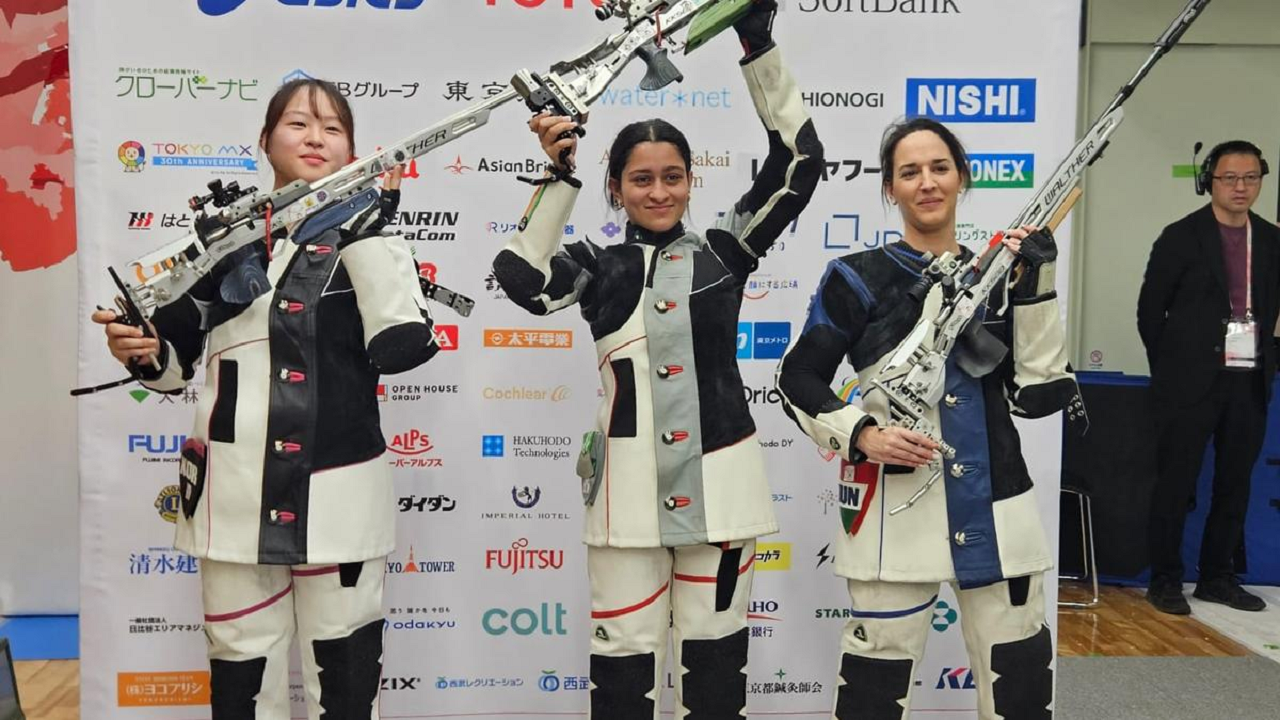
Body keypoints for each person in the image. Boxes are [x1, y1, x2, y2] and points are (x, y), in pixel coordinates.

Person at [491, 2, 820, 716]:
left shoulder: (726, 252)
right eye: (641, 179)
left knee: (716, 676)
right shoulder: (594, 265)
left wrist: (756, 41)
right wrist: (559, 174)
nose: (660, 191)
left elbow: (799, 167)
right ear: (616, 188)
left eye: (673, 176)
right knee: (621, 677)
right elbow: (521, 279)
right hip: (624, 502)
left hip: (723, 495)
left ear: (692, 180)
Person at [92, 78, 438, 718]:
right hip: (232, 493)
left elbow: (404, 347)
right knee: (241, 677)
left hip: (340, 492)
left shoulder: (375, 242)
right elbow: (170, 367)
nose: (315, 138)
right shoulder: (221, 246)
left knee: (348, 676)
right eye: (298, 124)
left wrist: (369, 231)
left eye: (333, 128)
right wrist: (140, 350)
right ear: (265, 139)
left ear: (353, 150)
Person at [776, 117, 1079, 720]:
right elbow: (797, 377)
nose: (927, 182)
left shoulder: (1002, 277)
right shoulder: (856, 276)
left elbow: (1037, 397)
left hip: (1000, 508)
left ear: (961, 178)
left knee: (1020, 686)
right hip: (892, 514)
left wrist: (1038, 285)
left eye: (940, 167)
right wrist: (862, 434)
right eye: (909, 171)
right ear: (889, 188)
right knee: (874, 690)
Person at [1137, 140, 1276, 615]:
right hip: (1187, 383)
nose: (1241, 187)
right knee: (1176, 483)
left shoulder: (1271, 240)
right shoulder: (1180, 237)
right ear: (1209, 182)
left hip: (1248, 379)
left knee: (1235, 483)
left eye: (1251, 178)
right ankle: (1165, 579)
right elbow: (1150, 313)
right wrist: (1170, 371)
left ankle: (1217, 577)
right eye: (1229, 178)